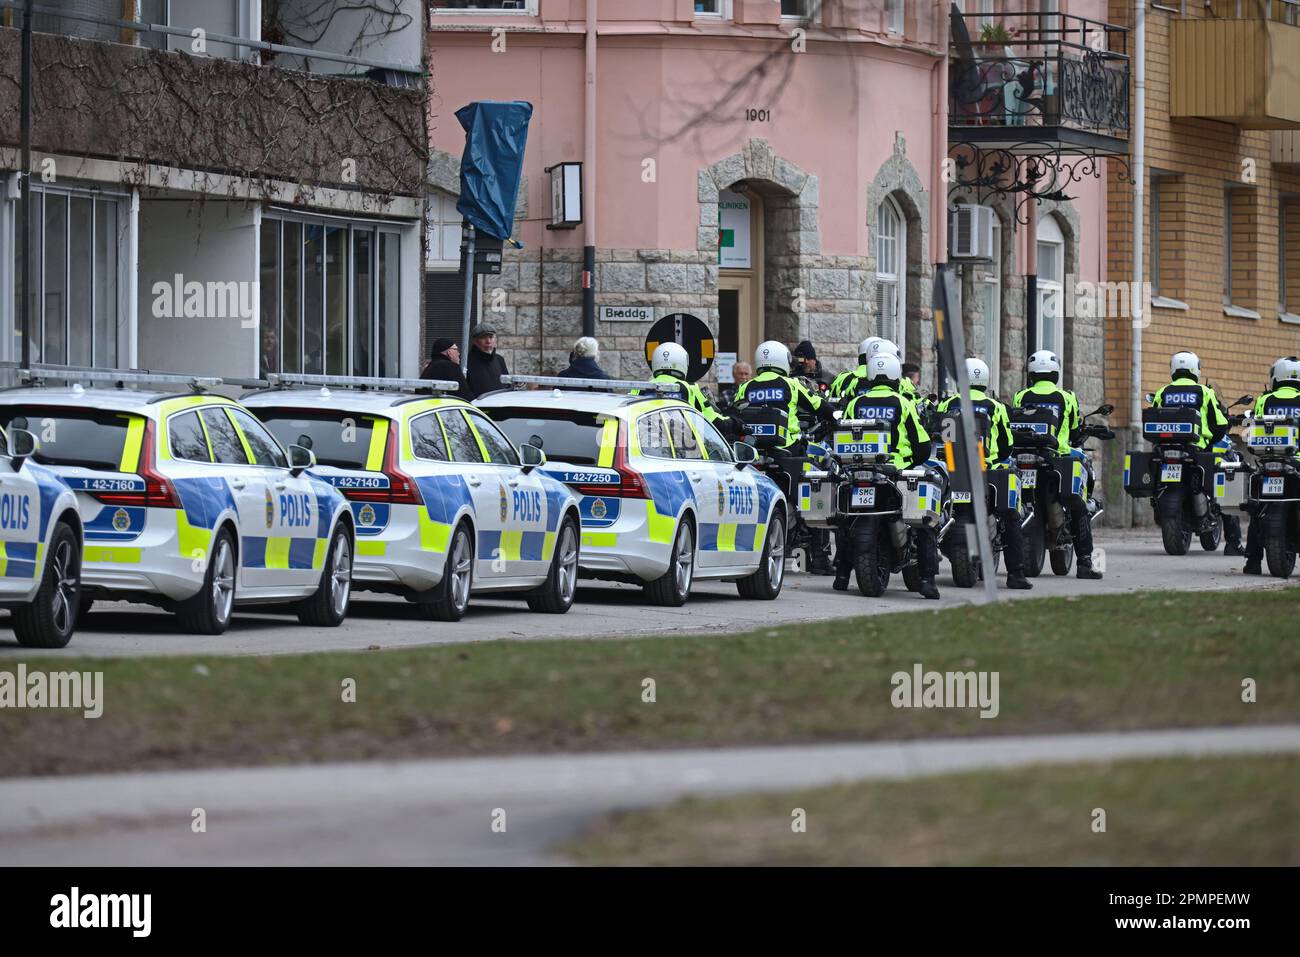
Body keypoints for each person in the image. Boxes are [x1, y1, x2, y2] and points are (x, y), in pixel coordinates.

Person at [843, 353, 940, 599]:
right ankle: (928, 581)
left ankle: (842, 575)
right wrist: (914, 460)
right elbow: (921, 444)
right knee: (925, 521)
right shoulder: (903, 402)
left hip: (858, 469)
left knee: (846, 518)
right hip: (895, 471)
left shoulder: (856, 402)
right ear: (897, 376)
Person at [936, 358, 1031, 590]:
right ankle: (1016, 574)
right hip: (986, 471)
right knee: (1011, 516)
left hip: (951, 469)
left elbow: (935, 436)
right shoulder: (995, 407)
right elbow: (1006, 445)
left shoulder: (947, 404)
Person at [1013, 349, 1102, 580]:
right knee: (1079, 507)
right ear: (1055, 374)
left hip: (1023, 455)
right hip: (1057, 457)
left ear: (1031, 374)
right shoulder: (1067, 397)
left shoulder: (1021, 396)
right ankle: (1084, 563)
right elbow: (1073, 429)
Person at [1150, 351, 1233, 542]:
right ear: (1196, 369)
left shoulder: (1163, 392)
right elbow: (1219, 424)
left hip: (1165, 449)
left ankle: (1158, 502)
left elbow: (1153, 418)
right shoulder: (1204, 392)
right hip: (1195, 449)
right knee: (1221, 484)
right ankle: (1232, 540)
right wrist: (1210, 443)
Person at [1243, 356, 1300, 575]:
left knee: (1259, 508)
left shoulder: (1265, 399)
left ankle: (1253, 561)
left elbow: (1254, 423)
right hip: (1297, 463)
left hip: (1269, 461)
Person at [634, 342, 738, 437]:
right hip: (684, 451)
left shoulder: (638, 389)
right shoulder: (690, 389)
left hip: (644, 448)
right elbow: (712, 420)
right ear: (684, 362)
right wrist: (734, 423)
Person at [466, 323, 510, 398]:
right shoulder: (465, 361)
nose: (488, 341)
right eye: (483, 338)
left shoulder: (499, 360)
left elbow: (508, 385)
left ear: (495, 339)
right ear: (475, 341)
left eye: (491, 337)